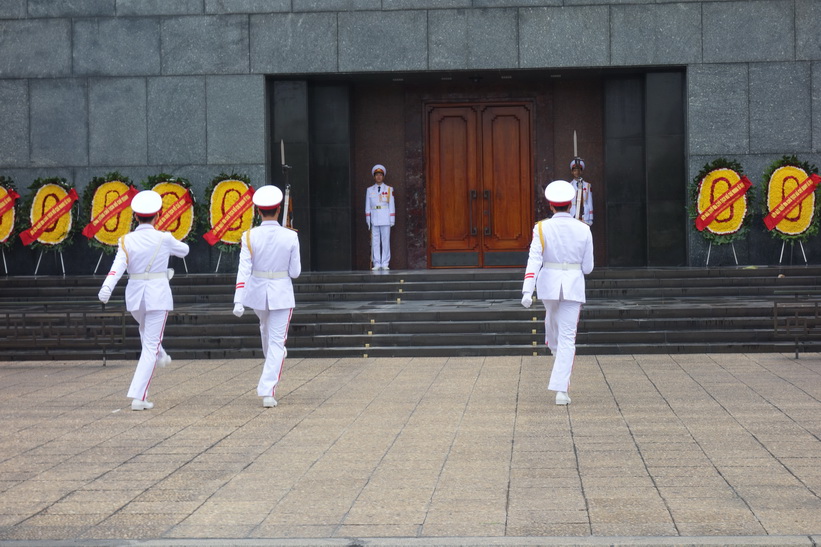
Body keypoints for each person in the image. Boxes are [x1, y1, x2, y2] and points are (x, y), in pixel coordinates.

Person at [98, 190, 189, 411]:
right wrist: (169, 244)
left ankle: (162, 354)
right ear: (157, 215)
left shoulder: (126, 240)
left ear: (135, 216)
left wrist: (107, 286)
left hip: (136, 296)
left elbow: (118, 266)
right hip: (157, 295)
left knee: (146, 334)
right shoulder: (164, 238)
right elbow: (185, 250)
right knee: (149, 344)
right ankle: (139, 397)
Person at [521, 180, 594, 405]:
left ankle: (560, 388)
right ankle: (555, 350)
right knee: (563, 334)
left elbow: (535, 259)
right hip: (572, 283)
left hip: (549, 284)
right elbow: (588, 267)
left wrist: (527, 290)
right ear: (571, 204)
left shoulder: (541, 227)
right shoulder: (584, 228)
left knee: (560, 330)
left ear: (551, 206)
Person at [233, 185, 301, 408]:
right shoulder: (290, 236)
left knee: (269, 333)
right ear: (278, 209)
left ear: (258, 211)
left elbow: (244, 269)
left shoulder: (249, 235)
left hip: (258, 292)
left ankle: (267, 388)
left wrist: (238, 299)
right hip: (281, 291)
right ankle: (270, 379)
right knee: (275, 342)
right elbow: (295, 273)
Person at [364, 164, 395, 270]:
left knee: (385, 241)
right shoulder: (369, 190)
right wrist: (368, 219)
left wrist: (392, 219)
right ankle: (377, 263)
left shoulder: (389, 189)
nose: (378, 177)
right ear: (374, 177)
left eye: (380, 175)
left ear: (383, 176)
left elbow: (391, 204)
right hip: (374, 217)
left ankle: (385, 262)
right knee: (375, 241)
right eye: (376, 175)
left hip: (385, 217)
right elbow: (367, 206)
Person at [569, 157, 593, 226]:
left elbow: (589, 201)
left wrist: (591, 217)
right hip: (572, 213)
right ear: (572, 172)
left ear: (581, 171)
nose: (577, 172)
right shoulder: (569, 185)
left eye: (579, 170)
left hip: (584, 214)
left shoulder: (587, 185)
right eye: (575, 170)